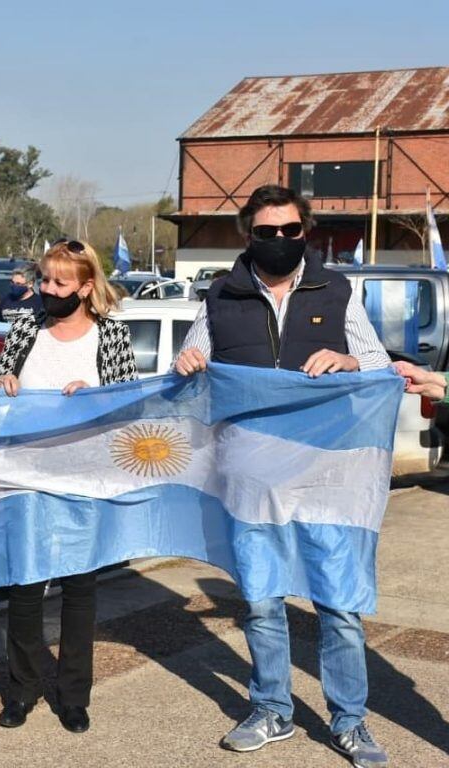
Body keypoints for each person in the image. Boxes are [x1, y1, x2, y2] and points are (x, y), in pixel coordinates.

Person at [175, 185, 391, 768]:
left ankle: (350, 721)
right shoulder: (219, 295)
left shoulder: (338, 290)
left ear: (307, 229)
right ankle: (272, 708)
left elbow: (377, 365)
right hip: (252, 476)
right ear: (249, 233)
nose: (278, 241)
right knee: (264, 601)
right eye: (266, 232)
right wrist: (187, 361)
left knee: (338, 604)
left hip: (328, 473)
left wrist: (349, 360)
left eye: (289, 230)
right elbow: (191, 366)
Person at [0, 238, 138, 734]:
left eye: (59, 282)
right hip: (27, 477)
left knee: (79, 591)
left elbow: (130, 404)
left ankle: (73, 695)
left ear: (86, 286)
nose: (48, 289)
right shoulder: (25, 326)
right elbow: (0, 384)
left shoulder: (112, 335)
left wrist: (97, 396)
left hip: (85, 478)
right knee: (25, 588)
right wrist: (5, 381)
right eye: (44, 279)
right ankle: (23, 688)